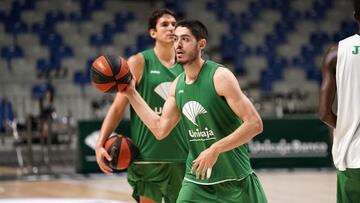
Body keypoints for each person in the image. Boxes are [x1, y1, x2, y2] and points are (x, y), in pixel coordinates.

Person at [123, 19, 268, 202]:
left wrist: (215, 149)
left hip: (235, 179)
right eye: (175, 39)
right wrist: (131, 93)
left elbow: (255, 124)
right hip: (196, 182)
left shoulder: (220, 77)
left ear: (201, 44)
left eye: (185, 39)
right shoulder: (177, 85)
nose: (178, 45)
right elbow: (160, 128)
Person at [95, 9, 188, 203]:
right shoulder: (139, 62)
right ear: (152, 32)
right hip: (147, 158)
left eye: (174, 24)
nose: (171, 27)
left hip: (182, 158)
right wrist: (99, 144)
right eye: (164, 24)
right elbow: (118, 108)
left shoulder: (186, 65)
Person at [319, 1, 360, 202]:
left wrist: (346, 126)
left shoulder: (336, 53)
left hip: (352, 155)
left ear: (355, 16)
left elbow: (324, 113)